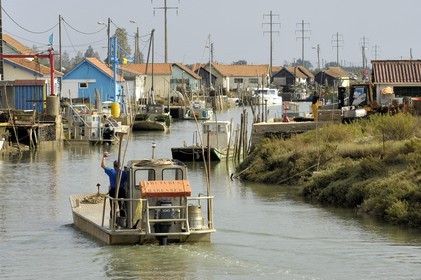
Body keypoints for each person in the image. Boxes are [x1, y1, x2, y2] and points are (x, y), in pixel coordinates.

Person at [101, 151, 127, 219]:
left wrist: (104, 157)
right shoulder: (123, 173)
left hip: (113, 191)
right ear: (120, 165)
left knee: (113, 207)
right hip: (121, 191)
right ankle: (123, 219)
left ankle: (113, 220)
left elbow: (103, 166)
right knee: (122, 207)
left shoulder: (111, 171)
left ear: (113, 166)